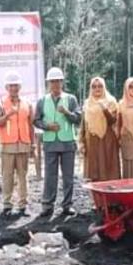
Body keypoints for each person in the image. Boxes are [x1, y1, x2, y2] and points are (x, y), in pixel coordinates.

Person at [34, 67, 81, 217]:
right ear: (48, 83)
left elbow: (78, 119)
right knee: (50, 176)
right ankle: (47, 205)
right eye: (52, 81)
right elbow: (36, 120)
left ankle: (67, 205)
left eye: (58, 81)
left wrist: (66, 112)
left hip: (67, 142)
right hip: (50, 143)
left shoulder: (71, 99)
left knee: (68, 176)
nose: (55, 84)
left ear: (62, 82)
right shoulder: (42, 101)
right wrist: (47, 126)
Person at [0, 70, 35, 217]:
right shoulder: (0, 103)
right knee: (7, 176)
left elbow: (30, 125)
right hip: (8, 145)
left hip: (23, 144)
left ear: (20, 87)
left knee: (23, 176)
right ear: (6, 87)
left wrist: (32, 144)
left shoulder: (27, 104)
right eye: (11, 86)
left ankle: (23, 205)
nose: (13, 88)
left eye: (16, 85)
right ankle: (7, 204)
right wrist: (8, 115)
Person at [79, 77, 121, 182]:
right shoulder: (87, 103)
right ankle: (97, 196)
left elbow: (113, 121)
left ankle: (110, 195)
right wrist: (81, 142)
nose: (97, 89)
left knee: (108, 168)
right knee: (94, 169)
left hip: (107, 139)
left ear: (104, 87)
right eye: (94, 87)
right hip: (91, 140)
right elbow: (84, 125)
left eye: (100, 86)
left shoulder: (111, 101)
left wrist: (105, 109)